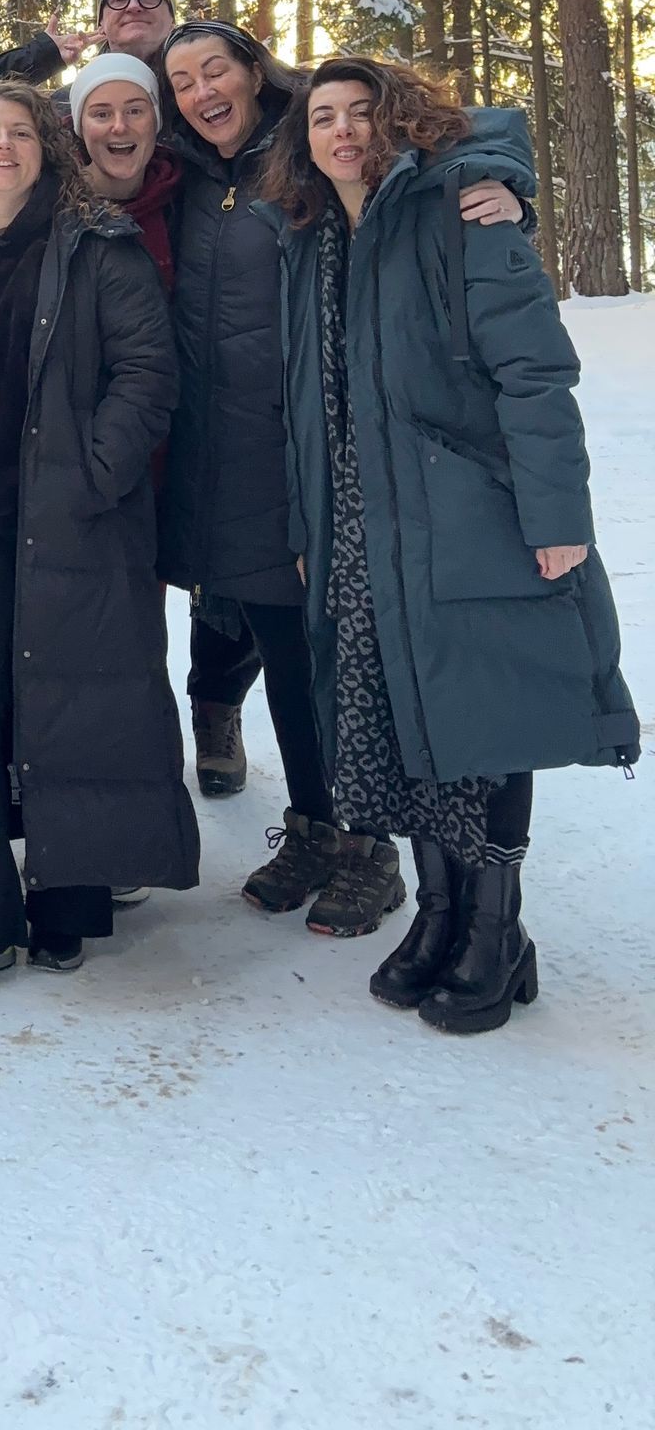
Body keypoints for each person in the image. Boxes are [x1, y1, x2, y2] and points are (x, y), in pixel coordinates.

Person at [263, 59, 638, 1031]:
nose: (343, 132)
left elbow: (535, 370)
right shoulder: (309, 242)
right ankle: (439, 911)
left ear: (397, 122)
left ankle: (496, 928)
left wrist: (557, 518)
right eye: (324, 118)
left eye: (361, 114)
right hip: (357, 524)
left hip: (466, 509)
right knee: (409, 717)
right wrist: (309, 528)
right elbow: (306, 408)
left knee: (487, 714)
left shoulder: (464, 212)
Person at [160, 20, 521, 933]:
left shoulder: (309, 140)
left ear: (254, 72)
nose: (202, 90)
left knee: (340, 651)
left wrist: (502, 178)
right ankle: (317, 827)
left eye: (217, 69)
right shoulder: (186, 174)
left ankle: (374, 845)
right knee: (285, 654)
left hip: (320, 446)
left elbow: (450, 133)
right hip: (227, 457)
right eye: (183, 79)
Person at [0, 84, 192, 996]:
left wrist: (91, 474)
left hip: (74, 522)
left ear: (46, 147)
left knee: (75, 707)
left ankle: (69, 895)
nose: (2, 147)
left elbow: (148, 372)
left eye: (20, 132)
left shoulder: (99, 246)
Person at [67, 53, 182, 287]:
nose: (119, 126)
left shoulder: (186, 198)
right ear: (81, 127)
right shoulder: (54, 209)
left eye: (134, 111)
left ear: (155, 120)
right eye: (102, 114)